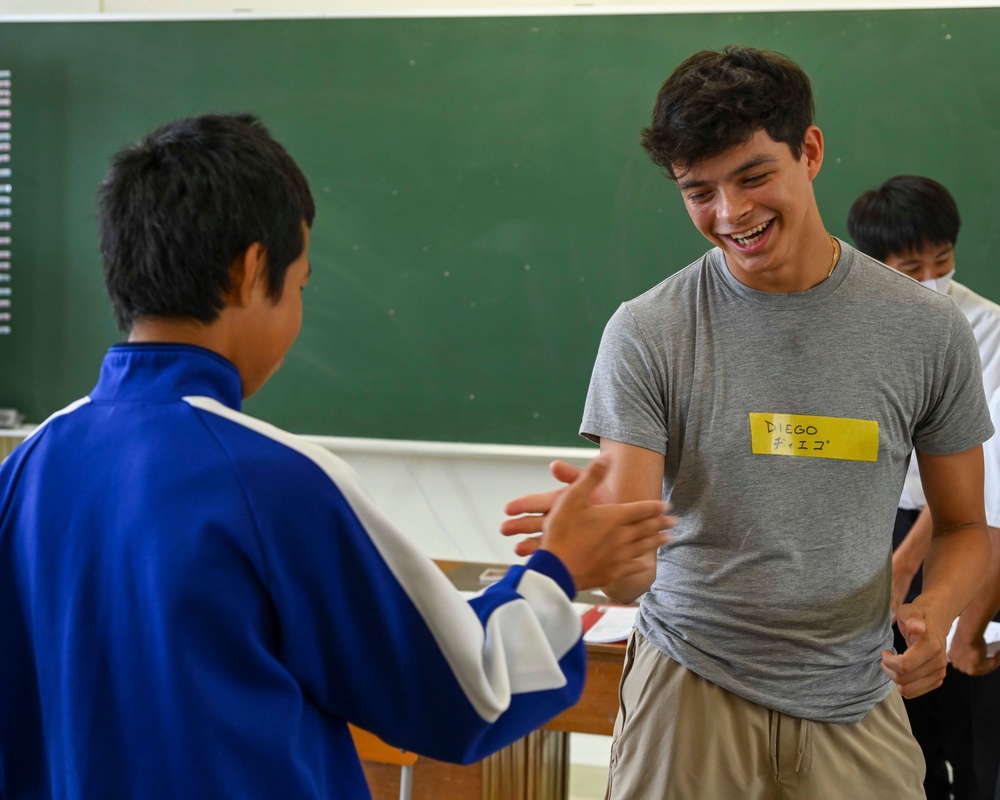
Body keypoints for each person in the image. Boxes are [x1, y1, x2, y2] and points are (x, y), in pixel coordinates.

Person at [0, 113, 674, 800]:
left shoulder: (27, 467)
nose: (296, 314)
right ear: (250, 268)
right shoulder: (273, 482)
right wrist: (560, 570)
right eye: (300, 285)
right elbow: (466, 693)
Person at [575, 46, 994, 799]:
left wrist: (933, 611)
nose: (730, 214)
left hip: (857, 694)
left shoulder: (927, 331)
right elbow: (632, 554)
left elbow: (966, 525)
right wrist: (595, 556)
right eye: (698, 191)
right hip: (690, 691)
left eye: (753, 176)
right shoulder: (647, 332)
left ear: (810, 150)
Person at [848, 175, 1000, 800]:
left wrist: (908, 559)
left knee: (964, 711)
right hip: (870, 527)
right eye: (914, 268)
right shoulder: (853, 325)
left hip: (959, 529)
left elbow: (975, 477)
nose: (934, 279)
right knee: (894, 726)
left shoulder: (986, 328)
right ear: (876, 265)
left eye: (944, 260)